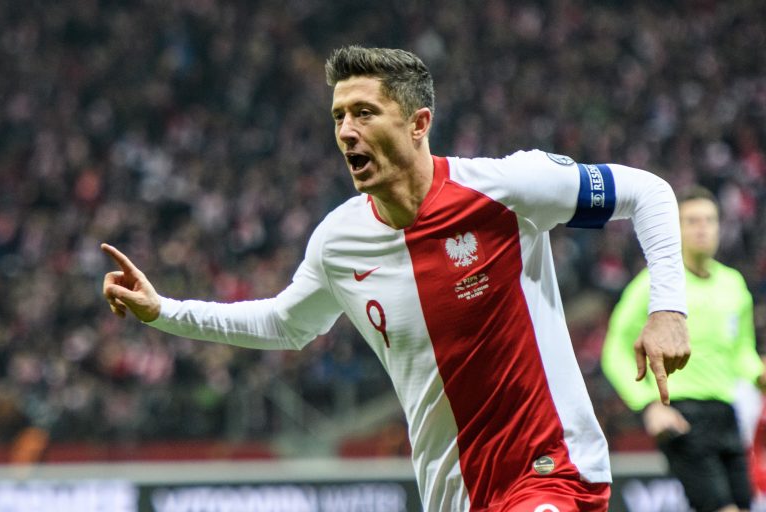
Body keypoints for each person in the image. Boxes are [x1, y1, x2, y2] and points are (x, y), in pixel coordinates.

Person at [102, 46, 690, 511]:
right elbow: (285, 323)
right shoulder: (339, 241)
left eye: (364, 112)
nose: (346, 130)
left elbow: (648, 192)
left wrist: (667, 308)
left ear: (418, 123)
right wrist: (164, 310)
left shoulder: (504, 188)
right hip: (452, 494)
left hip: (551, 471)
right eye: (338, 116)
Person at [601, 185, 764, 512]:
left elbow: (742, 352)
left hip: (726, 412)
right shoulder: (654, 284)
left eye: (709, 220)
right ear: (676, 229)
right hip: (681, 413)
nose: (702, 228)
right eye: (692, 221)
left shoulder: (733, 285)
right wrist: (648, 405)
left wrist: (759, 375)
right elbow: (614, 350)